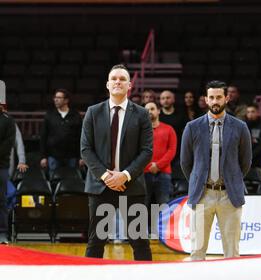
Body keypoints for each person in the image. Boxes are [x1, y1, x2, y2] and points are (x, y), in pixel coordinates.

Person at [81, 64, 153, 260]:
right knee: (96, 241)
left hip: (132, 186)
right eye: (114, 78)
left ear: (129, 85)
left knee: (139, 241)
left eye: (122, 79)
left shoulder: (142, 114)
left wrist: (125, 175)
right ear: (107, 84)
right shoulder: (93, 112)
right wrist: (107, 177)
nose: (118, 82)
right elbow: (86, 150)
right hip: (100, 186)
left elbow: (147, 151)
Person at [180, 80, 252, 261]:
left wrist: (231, 180)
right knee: (197, 251)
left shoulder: (240, 127)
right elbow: (185, 162)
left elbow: (246, 161)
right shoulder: (192, 127)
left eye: (219, 97)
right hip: (202, 194)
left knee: (232, 252)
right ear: (205, 99)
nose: (215, 101)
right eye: (211, 97)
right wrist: (199, 182)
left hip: (229, 195)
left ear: (226, 98)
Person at [144, 101, 177, 233]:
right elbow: (137, 151)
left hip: (163, 173)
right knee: (142, 205)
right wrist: (148, 165)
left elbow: (172, 150)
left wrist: (158, 165)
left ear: (158, 111)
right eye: (146, 110)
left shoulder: (169, 129)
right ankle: (141, 234)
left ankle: (164, 234)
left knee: (163, 204)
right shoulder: (141, 131)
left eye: (152, 109)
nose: (149, 112)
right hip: (144, 172)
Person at [40, 88, 83, 177]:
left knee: (72, 180)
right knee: (54, 180)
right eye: (55, 97)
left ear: (66, 100)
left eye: (59, 97)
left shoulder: (75, 115)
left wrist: (81, 157)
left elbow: (81, 137)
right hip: (53, 156)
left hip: (72, 156)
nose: (56, 99)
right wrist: (43, 157)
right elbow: (43, 136)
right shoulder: (49, 115)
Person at [0, 101, 16, 244]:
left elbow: (8, 144)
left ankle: (2, 233)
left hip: (1, 166)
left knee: (1, 200)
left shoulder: (8, 121)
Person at [245, 103, 261, 171]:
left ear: (258, 113)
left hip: (258, 163)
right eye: (248, 112)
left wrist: (250, 157)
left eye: (253, 111)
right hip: (243, 163)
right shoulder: (243, 127)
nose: (250, 114)